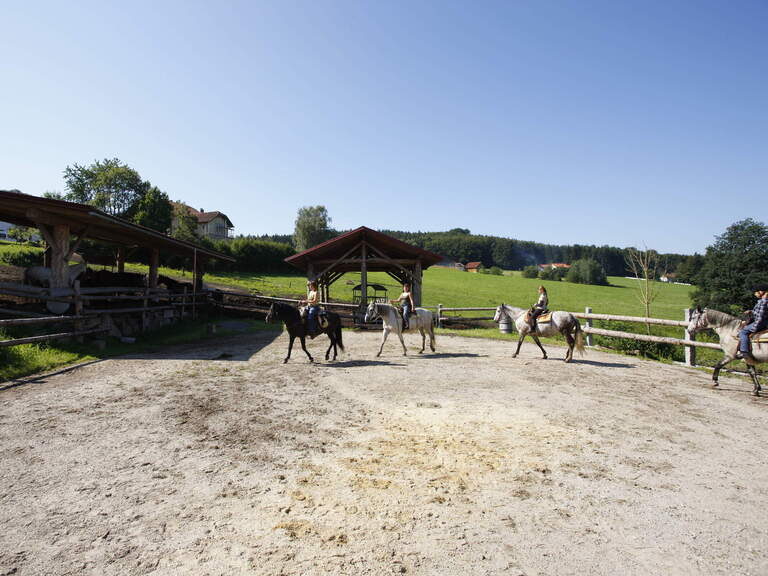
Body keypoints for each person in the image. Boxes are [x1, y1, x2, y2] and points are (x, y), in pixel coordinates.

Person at [737, 284, 768, 360]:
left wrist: (755, 327)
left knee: (743, 332)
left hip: (761, 323)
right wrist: (751, 311)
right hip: (763, 322)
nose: (755, 294)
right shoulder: (762, 301)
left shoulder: (763, 302)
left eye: (756, 292)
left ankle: (744, 352)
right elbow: (759, 312)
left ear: (761, 292)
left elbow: (760, 317)